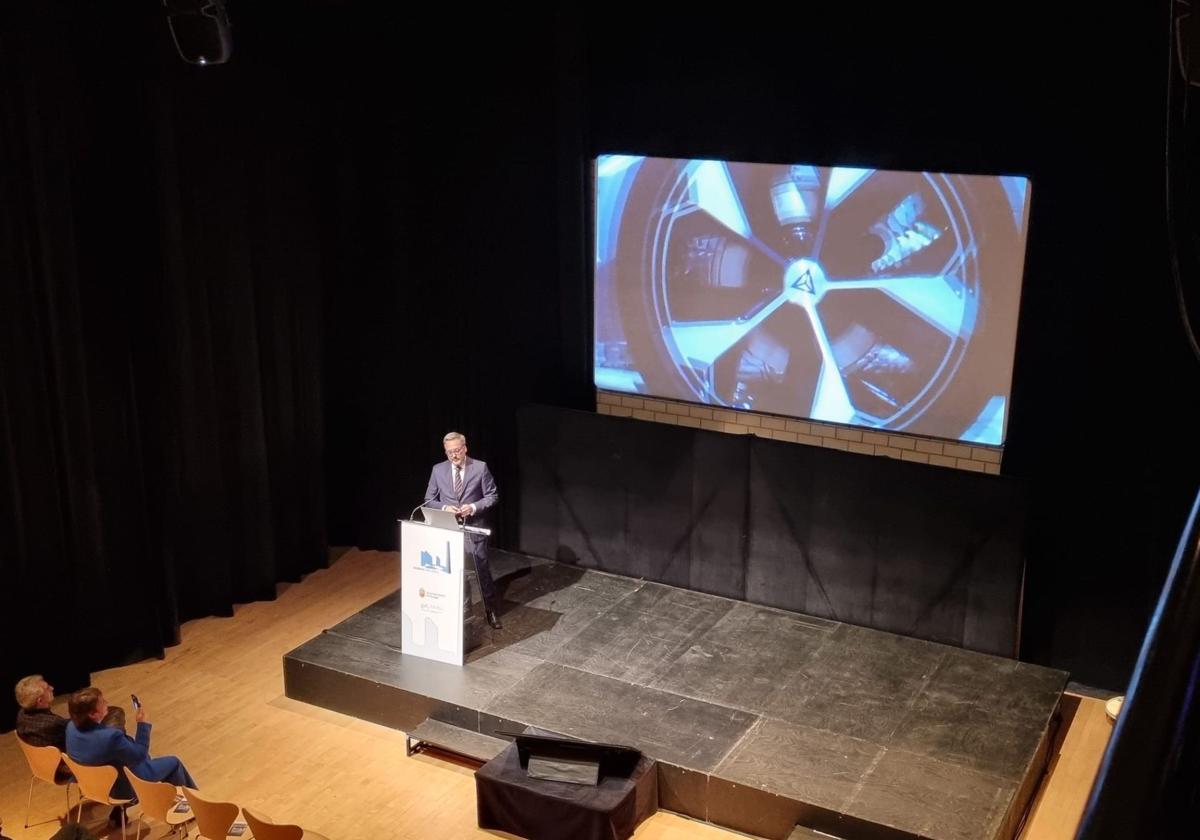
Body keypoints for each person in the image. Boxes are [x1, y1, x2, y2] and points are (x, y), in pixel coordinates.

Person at [424, 431, 502, 628]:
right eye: (449, 452)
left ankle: (490, 610)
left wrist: (473, 507)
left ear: (465, 448)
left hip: (474, 528)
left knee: (480, 570)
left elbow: (492, 496)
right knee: (456, 572)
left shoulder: (480, 468)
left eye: (457, 451)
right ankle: (462, 612)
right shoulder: (438, 470)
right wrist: (444, 508)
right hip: (449, 529)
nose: (454, 455)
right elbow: (429, 499)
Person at [65, 687, 196, 803]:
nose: (107, 703)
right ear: (93, 714)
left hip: (91, 785)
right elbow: (139, 755)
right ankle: (193, 805)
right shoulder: (111, 737)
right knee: (173, 763)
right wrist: (142, 724)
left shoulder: (70, 728)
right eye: (103, 702)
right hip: (122, 788)